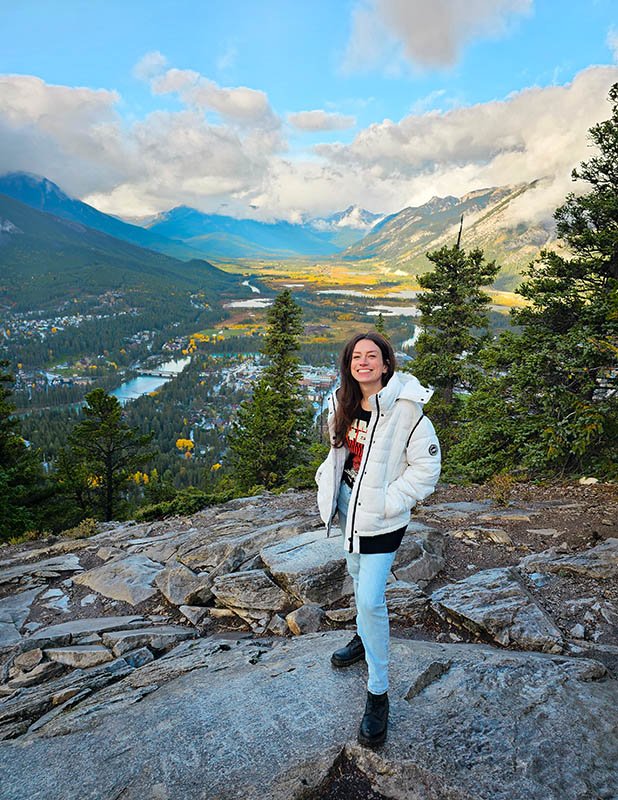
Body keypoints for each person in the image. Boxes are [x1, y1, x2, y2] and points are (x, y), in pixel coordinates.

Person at [315, 331, 441, 748]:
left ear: (386, 364)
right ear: (348, 364)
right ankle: (361, 635)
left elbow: (426, 470)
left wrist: (390, 501)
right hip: (349, 508)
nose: (363, 362)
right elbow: (340, 455)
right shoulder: (341, 402)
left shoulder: (408, 411)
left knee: (371, 598)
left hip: (382, 517)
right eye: (356, 356)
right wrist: (330, 486)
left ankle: (378, 692)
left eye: (372, 356)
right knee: (355, 576)